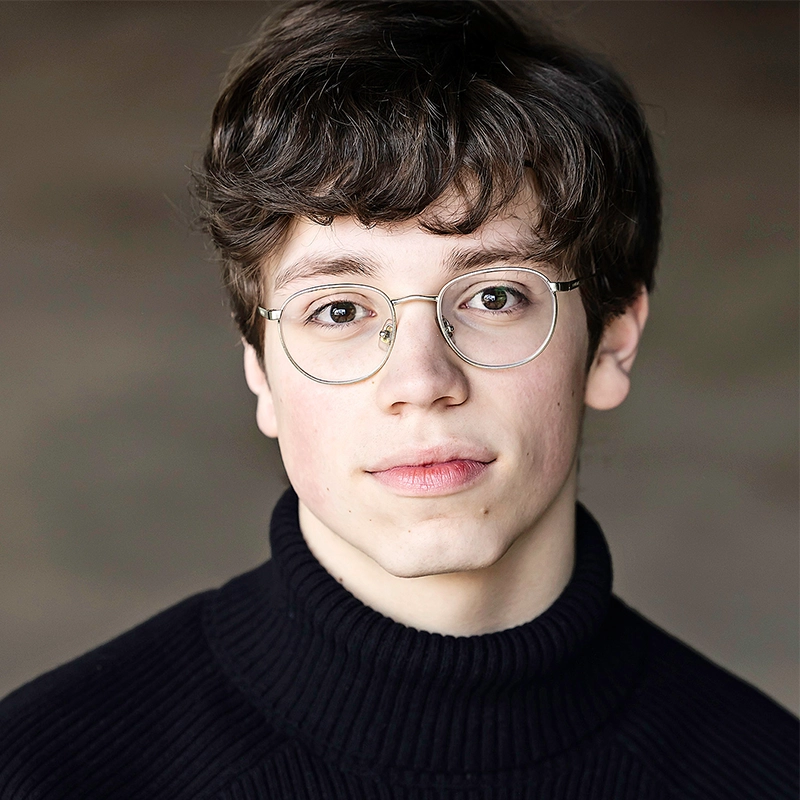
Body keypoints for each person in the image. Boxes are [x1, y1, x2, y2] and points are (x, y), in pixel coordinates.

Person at [0, 1, 796, 798]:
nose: (421, 382)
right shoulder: (40, 772)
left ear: (613, 340)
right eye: (339, 310)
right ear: (261, 369)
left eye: (492, 298)